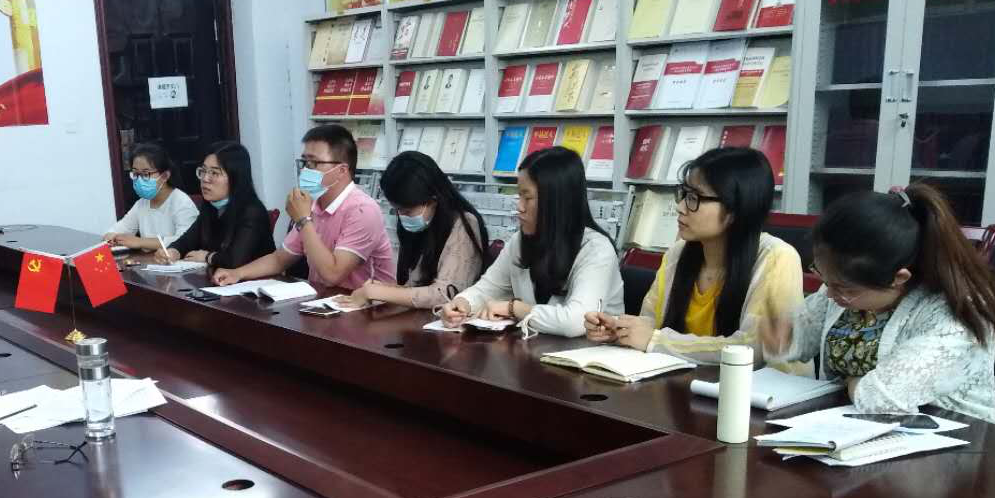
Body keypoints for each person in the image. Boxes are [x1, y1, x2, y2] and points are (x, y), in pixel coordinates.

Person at [759, 184, 995, 423]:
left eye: (844, 289)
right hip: (855, 428)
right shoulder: (847, 286)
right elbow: (800, 337)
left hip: (961, 440)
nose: (829, 294)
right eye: (825, 279)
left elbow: (881, 398)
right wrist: (779, 337)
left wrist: (851, 384)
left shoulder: (953, 313)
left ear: (898, 278)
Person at [584, 146, 802, 363]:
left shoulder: (777, 258)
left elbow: (752, 348)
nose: (680, 207)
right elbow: (650, 322)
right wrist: (621, 330)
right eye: (684, 194)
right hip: (686, 379)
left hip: (758, 384)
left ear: (735, 210)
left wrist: (655, 340)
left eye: (693, 198)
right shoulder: (678, 253)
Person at [440, 147, 620, 336]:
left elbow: (576, 322)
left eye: (528, 197)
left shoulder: (597, 249)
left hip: (587, 352)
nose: (520, 207)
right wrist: (463, 303)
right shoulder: (520, 240)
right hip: (537, 347)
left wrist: (514, 308)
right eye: (519, 196)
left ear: (556, 201)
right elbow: (489, 288)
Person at [211, 123, 395, 290]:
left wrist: (303, 220)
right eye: (305, 162)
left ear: (341, 170)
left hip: (371, 308)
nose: (306, 170)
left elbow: (332, 275)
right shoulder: (314, 204)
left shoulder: (363, 210)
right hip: (325, 302)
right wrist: (238, 273)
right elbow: (280, 259)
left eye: (314, 163)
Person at [337, 150, 486, 309]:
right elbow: (415, 286)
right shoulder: (426, 226)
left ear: (433, 200)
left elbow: (446, 294)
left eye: (407, 211)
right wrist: (383, 289)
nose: (402, 217)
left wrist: (377, 292)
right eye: (397, 210)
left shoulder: (464, 224)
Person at [160, 141, 276, 270]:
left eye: (214, 173)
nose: (205, 179)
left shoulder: (252, 211)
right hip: (222, 279)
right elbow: (186, 241)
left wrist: (207, 257)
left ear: (235, 177)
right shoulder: (211, 206)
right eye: (203, 171)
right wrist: (173, 251)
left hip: (257, 281)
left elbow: (235, 260)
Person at [101, 142, 198, 254]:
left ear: (165, 176)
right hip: (149, 261)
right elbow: (118, 230)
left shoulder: (182, 202)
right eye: (136, 174)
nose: (139, 180)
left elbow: (185, 241)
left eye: (145, 174)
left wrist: (140, 242)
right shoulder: (142, 203)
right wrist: (111, 237)